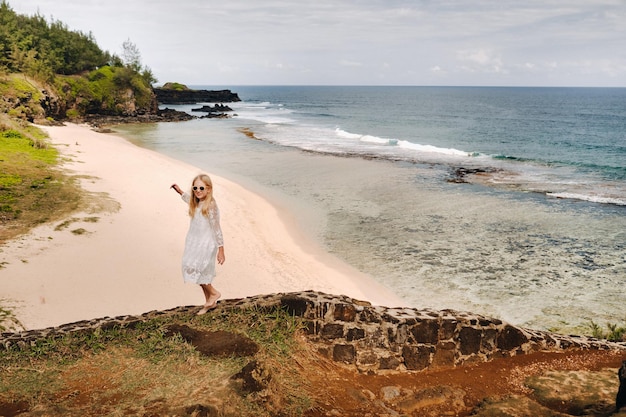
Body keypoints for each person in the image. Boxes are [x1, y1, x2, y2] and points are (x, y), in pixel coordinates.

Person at [171, 174, 225, 315]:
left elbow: (216, 228)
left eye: (201, 188)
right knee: (191, 266)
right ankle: (210, 302)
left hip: (207, 243)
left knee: (199, 269)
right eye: (195, 188)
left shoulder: (211, 205)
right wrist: (180, 191)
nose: (198, 190)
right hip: (194, 242)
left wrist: (221, 249)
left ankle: (213, 294)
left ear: (208, 189)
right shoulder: (195, 202)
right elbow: (189, 199)